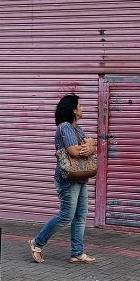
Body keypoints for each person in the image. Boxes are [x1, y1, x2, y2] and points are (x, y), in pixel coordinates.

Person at [29, 94, 97, 264]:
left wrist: (90, 145)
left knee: (80, 216)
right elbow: (74, 152)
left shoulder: (76, 128)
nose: (82, 108)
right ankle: (37, 242)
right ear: (73, 110)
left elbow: (90, 144)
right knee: (66, 215)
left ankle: (77, 253)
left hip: (80, 177)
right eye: (79, 105)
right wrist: (88, 146)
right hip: (68, 179)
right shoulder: (65, 127)